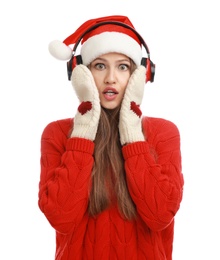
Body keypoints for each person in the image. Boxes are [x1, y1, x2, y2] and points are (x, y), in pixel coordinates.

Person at [38, 15, 184, 260]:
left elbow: (160, 216)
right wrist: (83, 131)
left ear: (141, 75)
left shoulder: (164, 133)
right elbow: (61, 218)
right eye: (100, 65)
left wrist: (133, 134)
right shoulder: (57, 134)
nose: (111, 78)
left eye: (123, 67)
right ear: (81, 74)